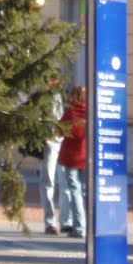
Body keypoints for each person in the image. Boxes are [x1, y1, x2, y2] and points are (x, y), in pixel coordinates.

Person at [39, 81, 71, 234]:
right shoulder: (42, 98)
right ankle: (50, 222)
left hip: (63, 142)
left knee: (65, 183)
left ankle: (66, 221)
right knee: (48, 182)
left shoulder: (65, 96)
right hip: (50, 142)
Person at [57, 84, 87, 238]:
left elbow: (59, 131)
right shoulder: (90, 112)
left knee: (75, 192)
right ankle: (88, 225)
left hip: (71, 157)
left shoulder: (70, 113)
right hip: (86, 157)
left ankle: (80, 227)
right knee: (85, 192)